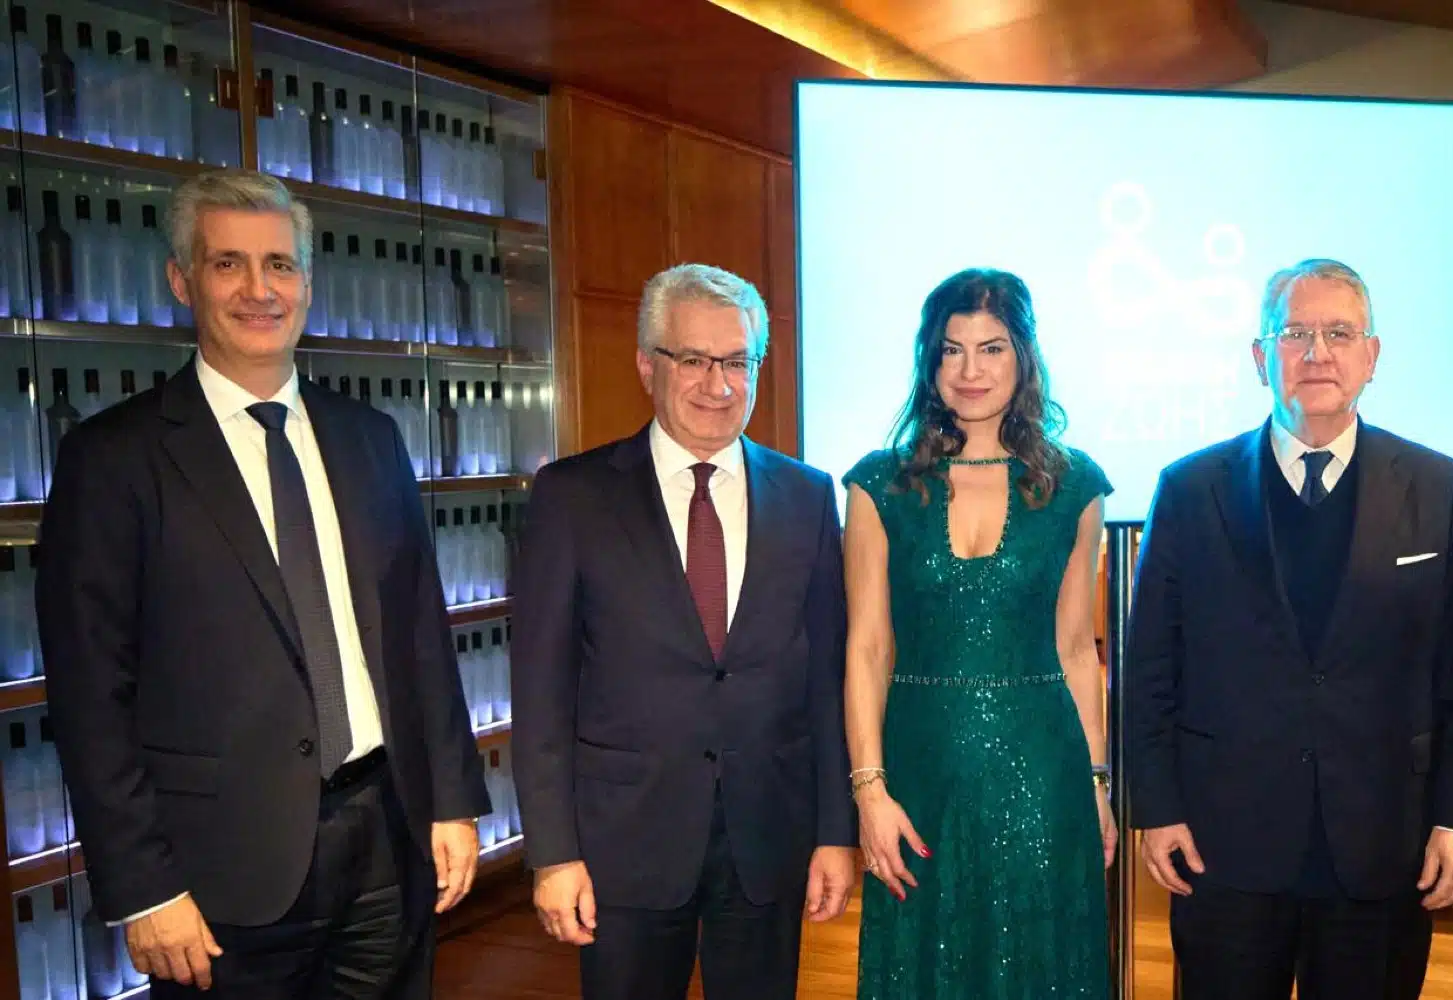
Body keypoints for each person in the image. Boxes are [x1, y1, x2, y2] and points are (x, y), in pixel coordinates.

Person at [34, 169, 490, 998]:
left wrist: (452, 800)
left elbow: (421, 635)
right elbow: (88, 692)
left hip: (387, 840)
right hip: (217, 873)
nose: (259, 289)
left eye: (279, 265)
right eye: (228, 264)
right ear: (181, 281)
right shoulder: (113, 459)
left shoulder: (371, 438)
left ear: (307, 283)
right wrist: (144, 888)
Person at [1127, 258, 1453, 1000]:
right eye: (1294, 334)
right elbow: (1151, 666)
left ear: (1372, 355)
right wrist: (1156, 808)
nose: (1317, 352)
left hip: (1384, 844)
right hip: (1224, 846)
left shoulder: (1439, 485)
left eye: (1339, 333)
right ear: (1260, 358)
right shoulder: (1190, 488)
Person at [511, 263, 858, 1000]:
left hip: (769, 838)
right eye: (694, 359)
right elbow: (540, 692)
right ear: (648, 364)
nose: (717, 384)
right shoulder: (572, 497)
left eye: (737, 361)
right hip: (621, 844)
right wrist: (552, 853)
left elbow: (826, 680)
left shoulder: (807, 496)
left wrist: (836, 831)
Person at [842, 268, 1115, 999]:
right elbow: (867, 649)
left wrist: (1096, 783)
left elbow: (1075, 651)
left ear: (1023, 357)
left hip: (1044, 779)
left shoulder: (1073, 485)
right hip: (918, 776)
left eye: (991, 348)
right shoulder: (879, 484)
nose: (970, 370)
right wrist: (869, 792)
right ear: (930, 362)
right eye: (952, 349)